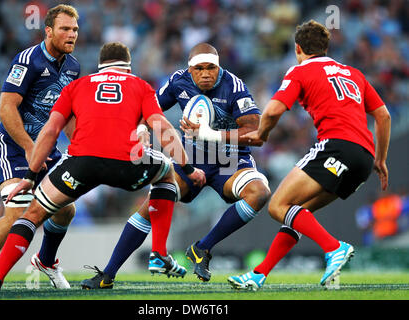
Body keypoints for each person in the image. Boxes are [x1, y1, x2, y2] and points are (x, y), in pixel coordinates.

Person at [0, 41, 206, 294]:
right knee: (166, 171)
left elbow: (50, 131)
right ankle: (158, 252)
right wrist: (188, 169)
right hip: (126, 163)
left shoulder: (75, 86)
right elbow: (163, 127)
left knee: (32, 214)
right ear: (128, 67)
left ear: (100, 66)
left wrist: (30, 175)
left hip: (81, 162)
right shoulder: (140, 85)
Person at [80, 42, 271, 289]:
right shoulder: (178, 81)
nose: (205, 73)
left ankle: (202, 248)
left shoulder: (235, 86)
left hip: (229, 160)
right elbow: (148, 109)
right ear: (189, 69)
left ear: (219, 67)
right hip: (190, 159)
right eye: (199, 68)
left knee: (260, 192)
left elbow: (256, 134)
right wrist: (141, 128)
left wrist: (210, 134)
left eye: (211, 68)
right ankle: (107, 274)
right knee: (151, 206)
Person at [228, 20, 391, 291]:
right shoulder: (353, 73)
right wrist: (381, 159)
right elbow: (383, 116)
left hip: (335, 147)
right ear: (326, 47)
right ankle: (258, 274)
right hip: (363, 158)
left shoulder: (300, 71)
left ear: (298, 48)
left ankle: (334, 247)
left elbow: (272, 111)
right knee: (297, 213)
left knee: (277, 206)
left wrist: (263, 134)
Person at [0, 4, 81, 290]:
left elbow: (66, 115)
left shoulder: (74, 66)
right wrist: (29, 148)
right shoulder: (28, 61)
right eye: (65, 29)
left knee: (66, 210)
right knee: (17, 212)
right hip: (13, 146)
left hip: (46, 149)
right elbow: (5, 109)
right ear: (48, 30)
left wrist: (81, 144)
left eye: (75, 29)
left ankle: (47, 261)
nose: (71, 34)